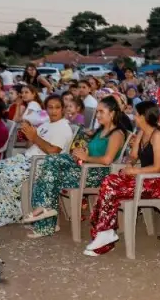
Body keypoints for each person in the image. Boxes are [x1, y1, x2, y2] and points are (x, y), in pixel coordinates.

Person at [26, 95, 131, 236]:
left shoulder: (116, 134)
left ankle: (45, 217)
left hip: (97, 174)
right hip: (85, 168)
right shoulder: (101, 131)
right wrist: (82, 151)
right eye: (97, 112)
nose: (97, 115)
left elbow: (107, 160)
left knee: (50, 174)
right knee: (50, 162)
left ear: (112, 113)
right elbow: (92, 150)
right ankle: (45, 211)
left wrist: (86, 157)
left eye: (101, 112)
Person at [82, 101, 160, 256]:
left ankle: (105, 233)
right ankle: (105, 232)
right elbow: (133, 156)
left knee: (110, 186)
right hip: (143, 178)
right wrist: (129, 163)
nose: (134, 117)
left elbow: (158, 167)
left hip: (157, 181)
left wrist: (134, 170)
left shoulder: (158, 136)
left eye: (136, 114)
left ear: (143, 117)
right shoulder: (142, 132)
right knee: (108, 181)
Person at [0, 94, 75, 227]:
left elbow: (52, 152)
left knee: (4, 174)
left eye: (57, 107)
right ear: (46, 109)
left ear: (62, 109)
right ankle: (10, 212)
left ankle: (13, 214)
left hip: (41, 164)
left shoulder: (63, 128)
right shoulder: (47, 124)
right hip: (27, 158)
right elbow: (32, 144)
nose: (53, 111)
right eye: (50, 107)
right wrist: (28, 136)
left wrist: (34, 138)